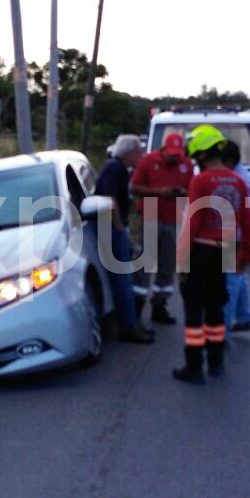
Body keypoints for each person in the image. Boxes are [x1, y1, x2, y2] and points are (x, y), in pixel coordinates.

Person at [173, 126, 250, 384]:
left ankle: (194, 367)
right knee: (216, 308)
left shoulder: (200, 181)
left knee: (194, 311)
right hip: (226, 250)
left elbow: (192, 223)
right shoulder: (239, 181)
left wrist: (182, 260)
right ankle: (216, 361)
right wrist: (243, 258)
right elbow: (248, 226)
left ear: (202, 153)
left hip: (200, 249)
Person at [129, 131, 193, 325]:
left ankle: (160, 306)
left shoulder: (186, 164)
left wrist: (183, 193)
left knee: (167, 265)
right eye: (171, 153)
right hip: (150, 216)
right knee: (144, 264)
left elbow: (192, 190)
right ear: (163, 149)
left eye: (178, 153)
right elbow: (134, 188)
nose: (174, 157)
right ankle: (137, 307)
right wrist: (159, 192)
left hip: (174, 219)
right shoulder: (148, 161)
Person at [96, 134, 154, 344]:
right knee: (123, 278)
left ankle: (130, 323)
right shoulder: (115, 168)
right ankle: (129, 327)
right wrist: (120, 228)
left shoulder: (120, 168)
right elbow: (109, 198)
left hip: (112, 227)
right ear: (128, 152)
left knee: (124, 276)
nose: (140, 155)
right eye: (138, 151)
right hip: (111, 228)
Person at [219, 141, 250, 333]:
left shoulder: (239, 182)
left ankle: (221, 334)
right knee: (238, 278)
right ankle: (243, 318)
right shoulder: (239, 177)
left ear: (229, 161)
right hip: (239, 237)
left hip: (236, 239)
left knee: (228, 286)